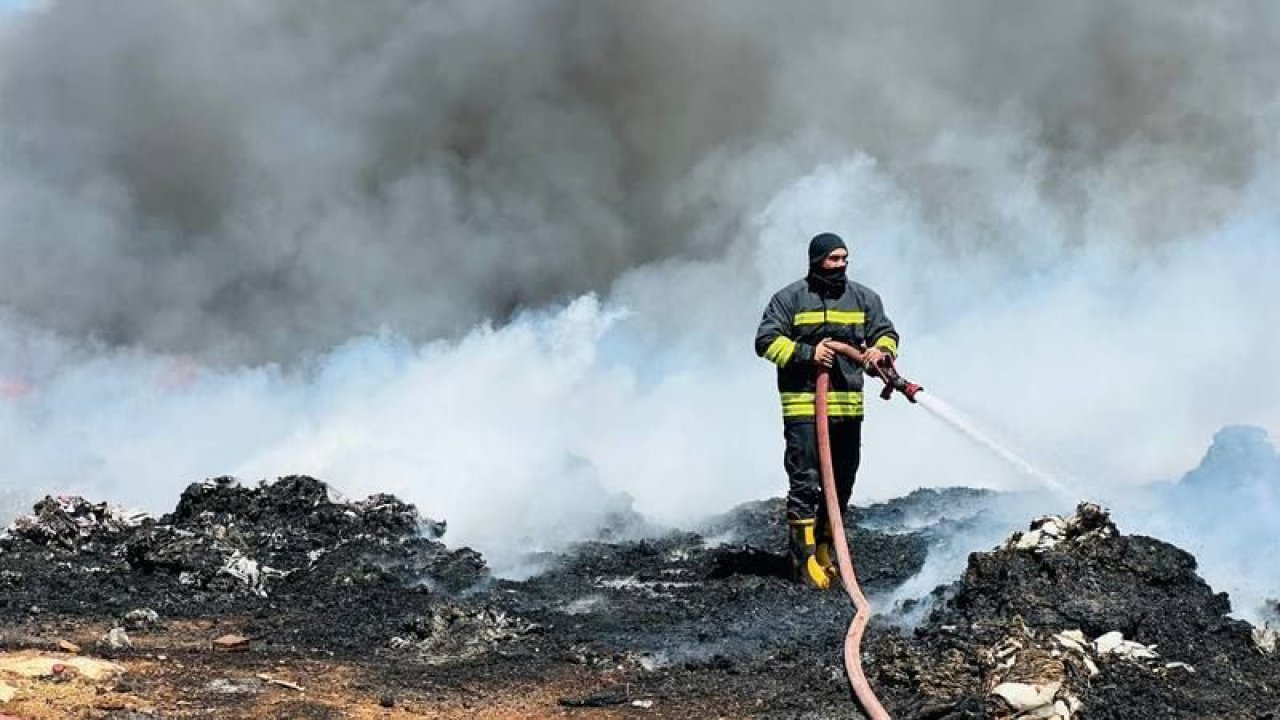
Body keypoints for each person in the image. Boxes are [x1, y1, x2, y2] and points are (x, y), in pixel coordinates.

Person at [754, 232, 899, 589]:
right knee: (806, 482)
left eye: (845, 259)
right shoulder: (789, 299)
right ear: (816, 260)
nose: (841, 266)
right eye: (834, 259)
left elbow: (887, 333)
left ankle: (824, 548)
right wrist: (807, 354)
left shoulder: (864, 298)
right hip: (804, 405)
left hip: (847, 406)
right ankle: (801, 561)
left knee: (843, 482)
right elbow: (765, 341)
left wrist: (880, 352)